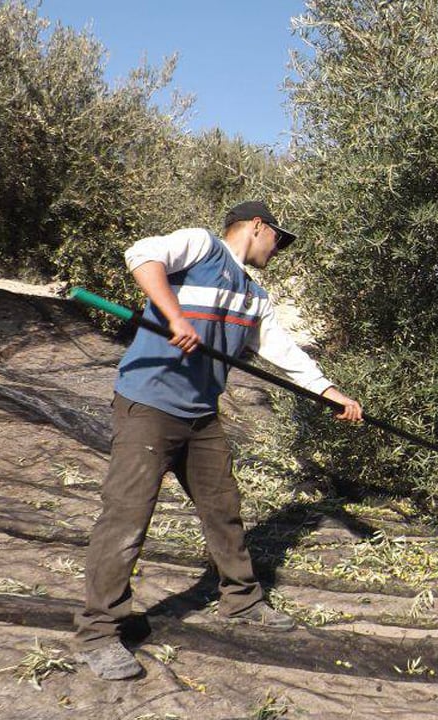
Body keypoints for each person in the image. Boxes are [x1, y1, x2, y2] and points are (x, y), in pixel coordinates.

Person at [75, 201, 363, 680]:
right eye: (279, 239)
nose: (279, 249)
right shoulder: (201, 246)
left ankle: (242, 601)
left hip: (201, 415)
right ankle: (99, 632)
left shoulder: (253, 294)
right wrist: (175, 316)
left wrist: (330, 393)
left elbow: (283, 352)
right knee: (126, 518)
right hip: (148, 405)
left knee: (223, 509)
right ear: (257, 227)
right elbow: (142, 256)